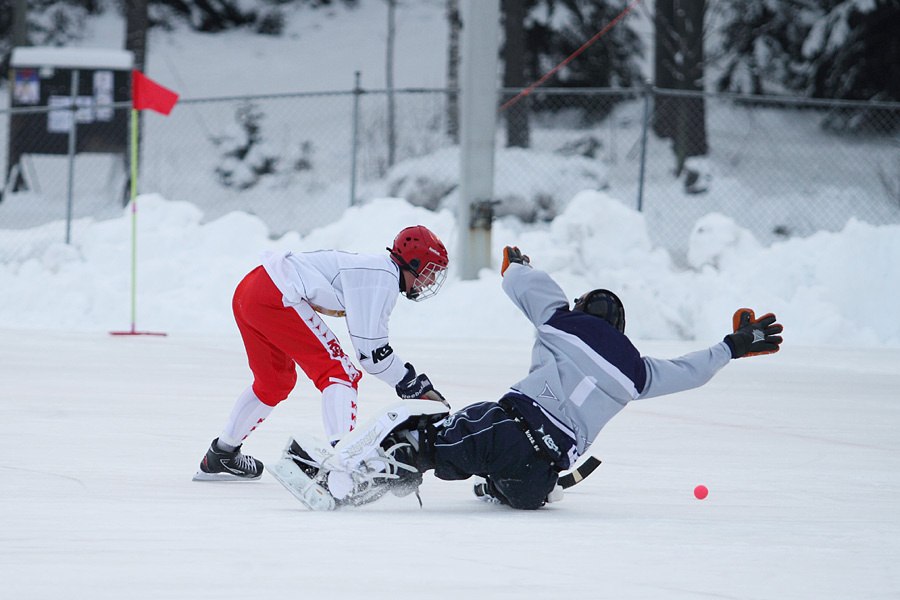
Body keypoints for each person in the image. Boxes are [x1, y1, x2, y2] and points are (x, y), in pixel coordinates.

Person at [328, 245, 783, 509]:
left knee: (443, 437)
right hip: (541, 474)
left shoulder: (563, 321)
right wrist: (733, 345)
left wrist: (518, 265)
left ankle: (374, 468)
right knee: (505, 477)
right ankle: (506, 488)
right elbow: (688, 371)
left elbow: (522, 283)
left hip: (510, 428)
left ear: (587, 310)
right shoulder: (637, 372)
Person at [193, 225, 450, 482]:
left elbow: (371, 349)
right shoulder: (383, 280)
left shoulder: (378, 271)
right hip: (275, 295)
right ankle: (343, 465)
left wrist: (408, 382)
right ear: (414, 263)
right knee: (340, 373)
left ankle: (221, 453)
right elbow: (372, 355)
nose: (431, 281)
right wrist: (411, 383)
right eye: (431, 272)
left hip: (251, 290)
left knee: (274, 383)